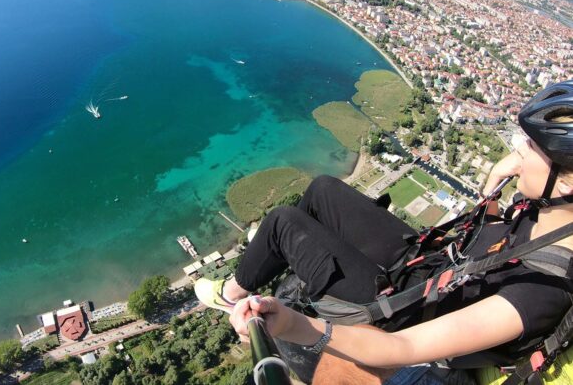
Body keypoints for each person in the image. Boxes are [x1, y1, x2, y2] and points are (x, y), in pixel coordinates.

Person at [195, 80, 573, 384]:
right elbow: (492, 236)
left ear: (567, 183)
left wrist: (294, 324)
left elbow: (403, 347)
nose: (519, 150)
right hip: (427, 269)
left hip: (405, 312)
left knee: (282, 224)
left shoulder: (544, 290)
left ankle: (232, 294)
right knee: (323, 189)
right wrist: (494, 179)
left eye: (533, 146)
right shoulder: (545, 213)